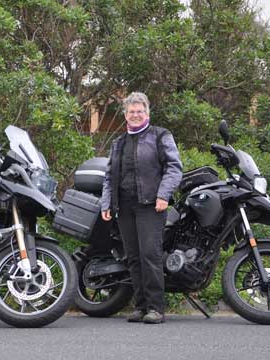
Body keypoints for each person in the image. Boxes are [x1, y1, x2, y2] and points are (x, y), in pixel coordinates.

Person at [100, 92, 182, 324]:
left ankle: (156, 308)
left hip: (151, 206)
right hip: (124, 207)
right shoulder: (118, 143)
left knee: (150, 255)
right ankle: (140, 306)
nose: (136, 115)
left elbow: (174, 167)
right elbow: (109, 177)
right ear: (125, 115)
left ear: (147, 113)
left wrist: (164, 194)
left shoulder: (160, 136)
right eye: (131, 111)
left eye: (140, 111)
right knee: (133, 258)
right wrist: (107, 203)